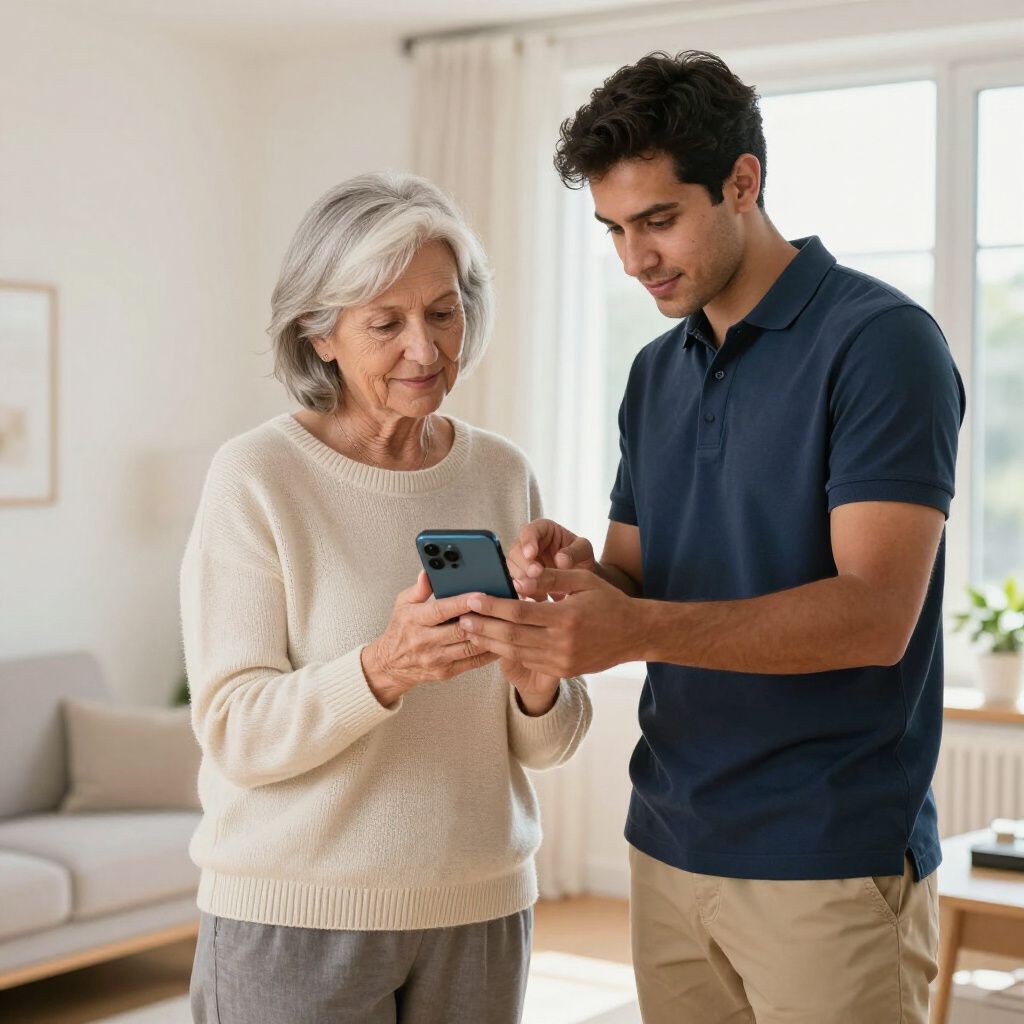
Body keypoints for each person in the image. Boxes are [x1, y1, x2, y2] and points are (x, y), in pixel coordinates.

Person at [460, 51, 965, 1023]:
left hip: (824, 853)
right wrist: (577, 575)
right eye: (613, 229)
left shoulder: (879, 343)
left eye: (657, 220)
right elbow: (634, 578)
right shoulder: (656, 370)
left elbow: (873, 616)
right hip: (666, 843)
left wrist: (634, 628)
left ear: (743, 181)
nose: (633, 258)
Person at [181, 171, 592, 1024]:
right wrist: (381, 669)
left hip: (479, 909)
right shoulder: (258, 478)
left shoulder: (499, 471)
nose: (427, 348)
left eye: (444, 312)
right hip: (294, 919)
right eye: (386, 322)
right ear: (321, 335)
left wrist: (537, 669)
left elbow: (547, 744)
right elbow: (234, 729)